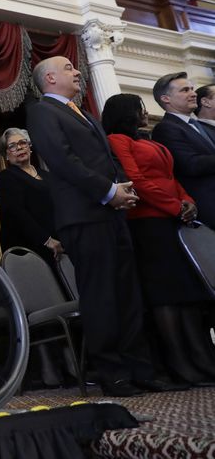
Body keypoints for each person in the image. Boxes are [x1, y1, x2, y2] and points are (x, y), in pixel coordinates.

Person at [26, 56, 184, 397]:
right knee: (102, 298)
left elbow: (110, 159)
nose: (77, 71)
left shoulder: (83, 112)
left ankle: (139, 369)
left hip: (112, 215)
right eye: (68, 68)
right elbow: (63, 160)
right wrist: (108, 192)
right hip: (83, 217)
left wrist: (123, 189)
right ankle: (111, 373)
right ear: (50, 78)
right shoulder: (42, 112)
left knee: (128, 296)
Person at [102, 93, 215, 386]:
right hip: (147, 224)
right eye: (139, 108)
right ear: (126, 112)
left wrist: (187, 201)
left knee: (187, 295)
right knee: (166, 296)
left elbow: (172, 176)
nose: (144, 112)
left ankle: (202, 360)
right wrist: (174, 205)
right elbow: (136, 181)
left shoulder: (147, 139)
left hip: (171, 222)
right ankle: (179, 364)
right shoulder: (117, 139)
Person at [151, 73, 215, 229]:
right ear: (166, 99)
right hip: (207, 208)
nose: (193, 94)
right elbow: (190, 165)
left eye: (192, 89)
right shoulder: (166, 128)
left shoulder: (203, 126)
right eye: (185, 90)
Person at [0, 128, 64, 266]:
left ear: (29, 147)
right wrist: (46, 240)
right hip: (28, 250)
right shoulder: (6, 178)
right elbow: (16, 214)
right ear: (6, 155)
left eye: (22, 143)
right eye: (12, 146)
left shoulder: (47, 175)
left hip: (59, 246)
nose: (19, 147)